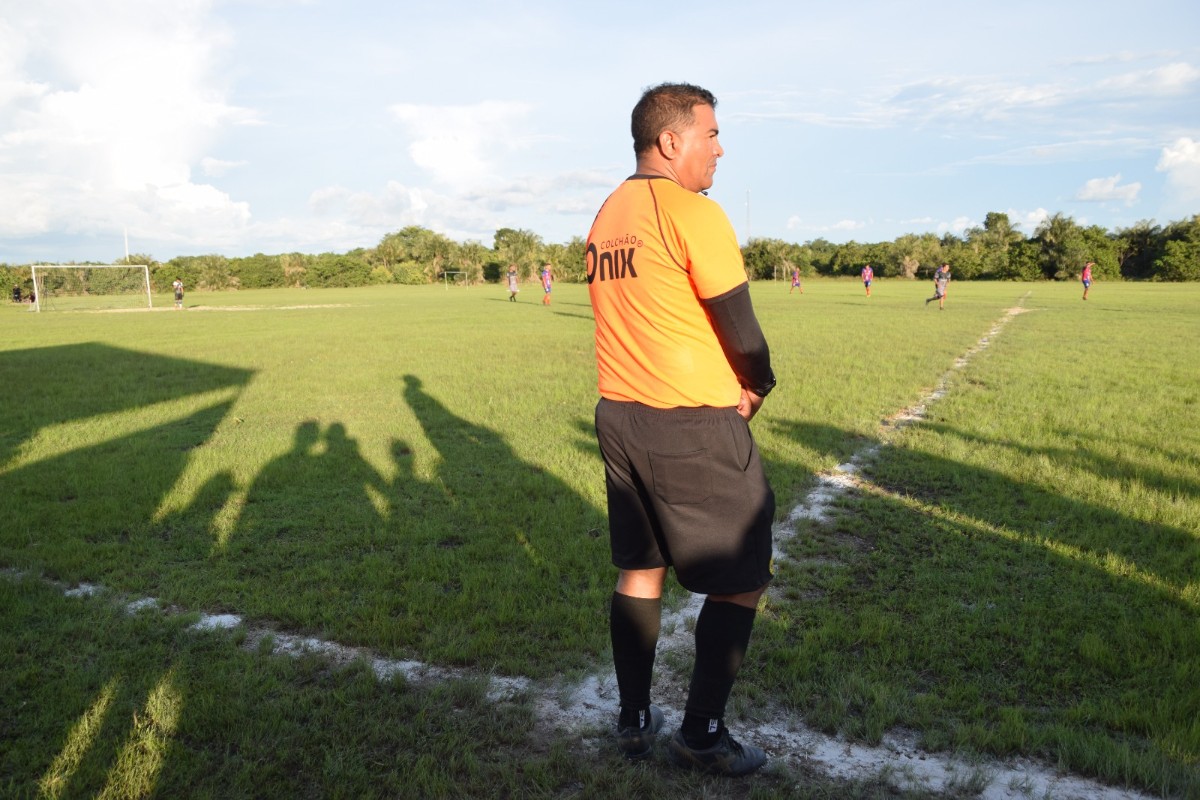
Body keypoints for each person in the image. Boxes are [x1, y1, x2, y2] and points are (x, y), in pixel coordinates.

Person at [586, 82, 776, 778]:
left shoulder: (610, 212)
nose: (721, 148)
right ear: (671, 140)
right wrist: (757, 384)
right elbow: (740, 327)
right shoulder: (690, 211)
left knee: (641, 568)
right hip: (689, 420)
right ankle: (702, 733)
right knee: (741, 577)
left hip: (620, 416)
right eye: (713, 133)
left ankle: (634, 719)